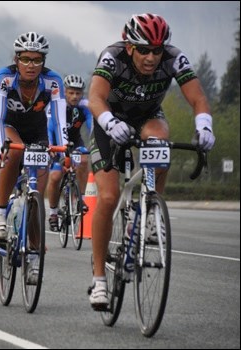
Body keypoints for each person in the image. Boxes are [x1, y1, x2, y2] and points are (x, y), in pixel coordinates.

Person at [87, 13, 215, 310]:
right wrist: (108, 122)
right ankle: (99, 281)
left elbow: (198, 98)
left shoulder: (174, 58)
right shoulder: (112, 56)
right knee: (107, 197)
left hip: (148, 117)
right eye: (144, 50)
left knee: (160, 145)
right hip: (109, 121)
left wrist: (204, 125)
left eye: (156, 51)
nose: (151, 57)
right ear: (130, 47)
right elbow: (95, 97)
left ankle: (148, 208)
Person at [0, 31, 68, 283]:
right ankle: (0, 216)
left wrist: (63, 148)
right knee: (13, 153)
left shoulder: (53, 81)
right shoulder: (5, 78)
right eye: (25, 59)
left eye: (37, 60)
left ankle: (34, 259)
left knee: (37, 201)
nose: (31, 65)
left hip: (38, 133)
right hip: (10, 127)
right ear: (17, 59)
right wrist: (0, 146)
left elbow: (58, 117)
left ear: (43, 61)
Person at [46, 74, 92, 231]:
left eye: (78, 93)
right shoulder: (56, 106)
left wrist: (94, 143)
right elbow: (50, 127)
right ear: (65, 92)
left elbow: (92, 127)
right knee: (55, 176)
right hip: (57, 143)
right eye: (71, 93)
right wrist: (51, 146)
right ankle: (52, 212)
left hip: (76, 142)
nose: (74, 96)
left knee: (84, 161)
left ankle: (81, 199)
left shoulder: (84, 107)